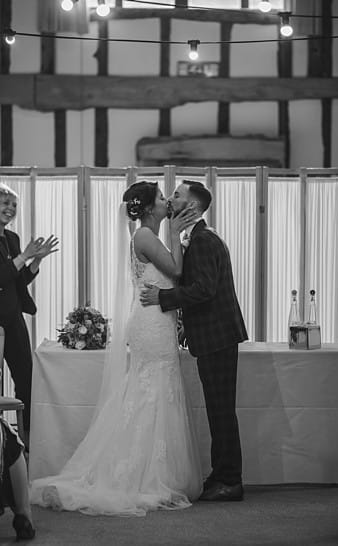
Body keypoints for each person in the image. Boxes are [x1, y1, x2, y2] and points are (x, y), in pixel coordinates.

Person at [32, 181, 204, 516]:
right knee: (150, 392)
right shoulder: (144, 236)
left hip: (160, 320)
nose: (166, 201)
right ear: (150, 208)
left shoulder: (150, 236)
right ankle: (138, 474)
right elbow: (177, 271)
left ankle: (155, 470)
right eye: (160, 198)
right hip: (151, 324)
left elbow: (169, 278)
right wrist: (174, 233)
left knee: (155, 392)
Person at [138, 179, 248, 502]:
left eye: (176, 195)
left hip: (218, 338)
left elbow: (203, 290)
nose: (170, 199)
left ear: (194, 208)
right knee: (218, 409)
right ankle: (221, 474)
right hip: (214, 336)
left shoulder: (202, 241)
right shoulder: (198, 238)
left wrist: (163, 296)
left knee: (222, 410)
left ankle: (231, 480)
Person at [0, 183, 60, 437]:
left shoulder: (12, 238)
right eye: (5, 203)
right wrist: (24, 256)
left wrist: (36, 260)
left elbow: (18, 279)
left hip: (13, 317)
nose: (10, 209)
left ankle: (27, 438)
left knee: (26, 376)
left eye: (14, 205)